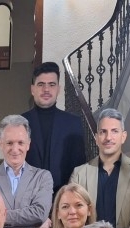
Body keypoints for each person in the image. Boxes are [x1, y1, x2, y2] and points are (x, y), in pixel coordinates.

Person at [22, 61, 86, 193]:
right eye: (41, 84)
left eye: (51, 84)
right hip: (27, 198)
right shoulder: (20, 123)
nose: (46, 89)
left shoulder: (74, 123)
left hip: (63, 198)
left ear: (58, 89)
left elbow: (79, 167)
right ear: (32, 89)